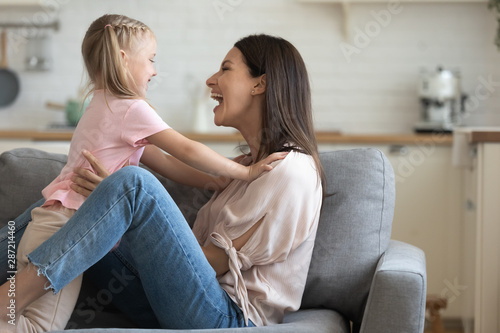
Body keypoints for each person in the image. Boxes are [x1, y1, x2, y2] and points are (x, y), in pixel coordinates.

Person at [0, 33, 325, 331]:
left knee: (133, 184)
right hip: (172, 301)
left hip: (226, 317)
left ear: (260, 84)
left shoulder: (289, 172)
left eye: (225, 69)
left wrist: (115, 203)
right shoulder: (244, 168)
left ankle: (14, 294)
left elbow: (211, 264)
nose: (211, 80)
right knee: (66, 199)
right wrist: (103, 208)